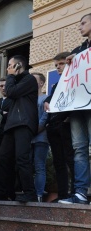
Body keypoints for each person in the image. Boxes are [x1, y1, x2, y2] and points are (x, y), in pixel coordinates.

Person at [0, 55, 39, 203]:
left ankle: (29, 192)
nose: (7, 69)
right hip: (12, 125)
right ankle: (3, 192)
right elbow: (9, 94)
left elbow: (11, 92)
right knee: (3, 158)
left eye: (10, 65)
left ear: (18, 66)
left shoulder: (29, 80)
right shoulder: (17, 82)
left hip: (23, 123)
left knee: (22, 158)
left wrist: (11, 77)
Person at [58, 14, 91, 204]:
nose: (79, 27)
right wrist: (71, 62)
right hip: (78, 107)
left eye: (83, 23)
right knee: (79, 148)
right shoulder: (78, 52)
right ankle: (80, 192)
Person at [43, 52, 75, 202]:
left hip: (67, 123)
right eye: (56, 65)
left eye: (61, 64)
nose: (58, 68)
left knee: (71, 159)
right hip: (54, 126)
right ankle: (63, 194)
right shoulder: (56, 84)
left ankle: (76, 193)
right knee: (58, 162)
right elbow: (51, 99)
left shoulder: (74, 79)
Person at [31, 72, 49, 202]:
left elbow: (45, 117)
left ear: (41, 83)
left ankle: (38, 194)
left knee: (39, 166)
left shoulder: (45, 98)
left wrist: (35, 130)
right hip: (28, 138)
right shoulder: (28, 99)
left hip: (40, 138)